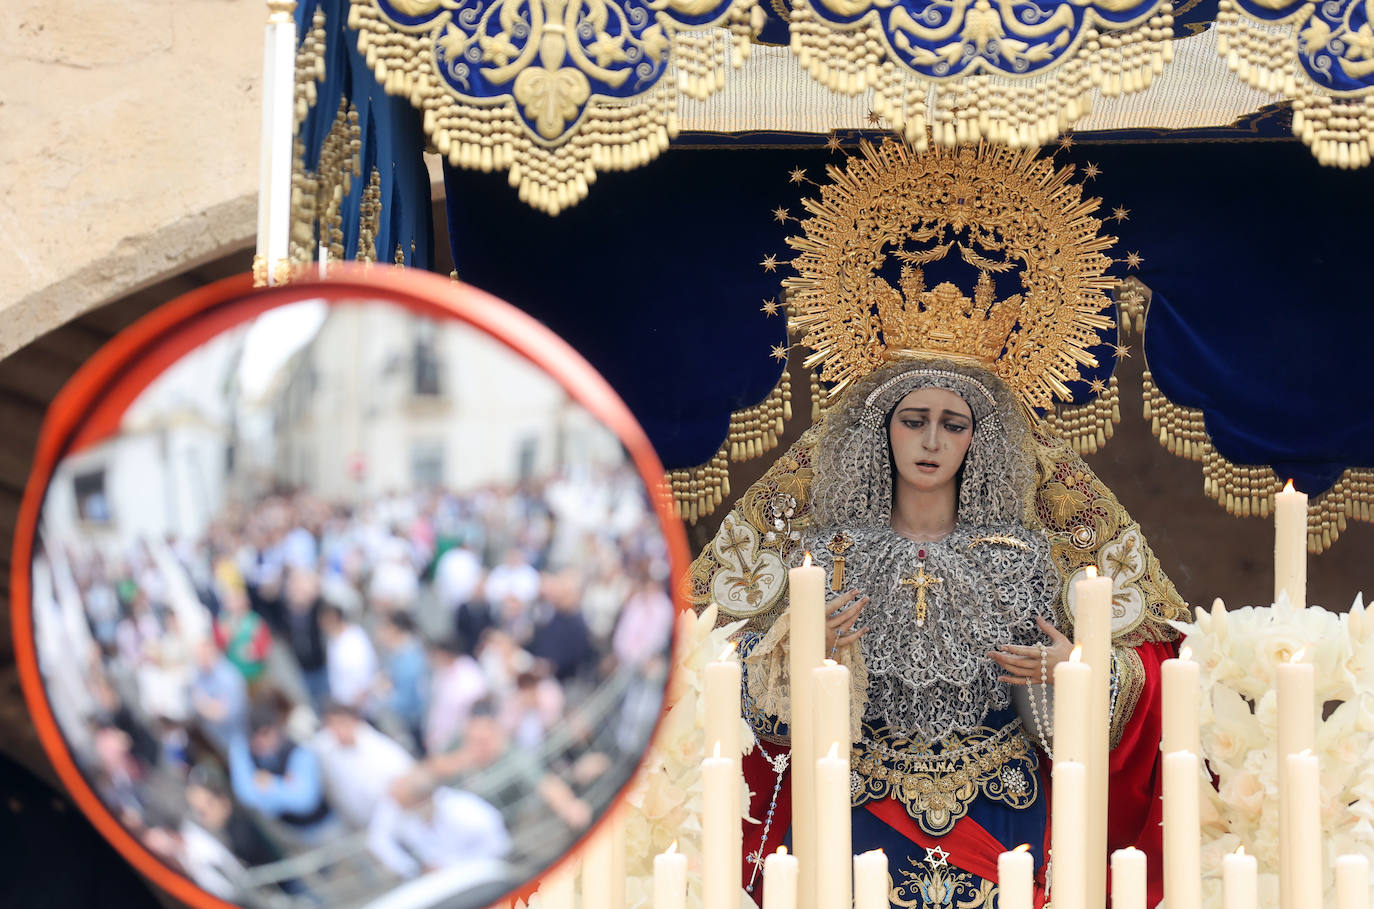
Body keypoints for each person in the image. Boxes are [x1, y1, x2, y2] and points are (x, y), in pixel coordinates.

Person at [695, 359, 1186, 908]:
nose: (932, 440)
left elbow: (1138, 679)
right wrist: (796, 655)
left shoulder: (1023, 558)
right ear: (881, 430)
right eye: (913, 420)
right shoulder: (821, 558)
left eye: (954, 424)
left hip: (1004, 807)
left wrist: (1075, 672)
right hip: (854, 809)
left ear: (979, 439)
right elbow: (725, 682)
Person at [366, 770, 511, 880]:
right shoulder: (415, 817)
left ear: (421, 800)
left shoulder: (465, 815)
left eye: (406, 806)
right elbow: (378, 839)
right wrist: (412, 868)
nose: (402, 811)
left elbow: (497, 846)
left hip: (485, 877)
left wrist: (449, 868)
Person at [227, 701, 337, 845]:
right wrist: (285, 788)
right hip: (290, 830)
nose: (262, 743)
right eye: (256, 739)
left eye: (266, 735)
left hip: (323, 825)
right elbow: (246, 795)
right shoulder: (242, 749)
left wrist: (271, 784)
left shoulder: (298, 747)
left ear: (276, 730)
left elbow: (305, 800)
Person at [312, 702, 416, 830]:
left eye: (342, 723)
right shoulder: (325, 744)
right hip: (355, 822)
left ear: (355, 721)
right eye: (331, 724)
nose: (337, 730)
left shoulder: (383, 751)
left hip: (391, 824)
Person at [318, 603, 378, 712]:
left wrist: (361, 693)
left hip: (358, 702)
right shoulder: (332, 639)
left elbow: (366, 666)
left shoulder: (355, 637)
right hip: (342, 702)